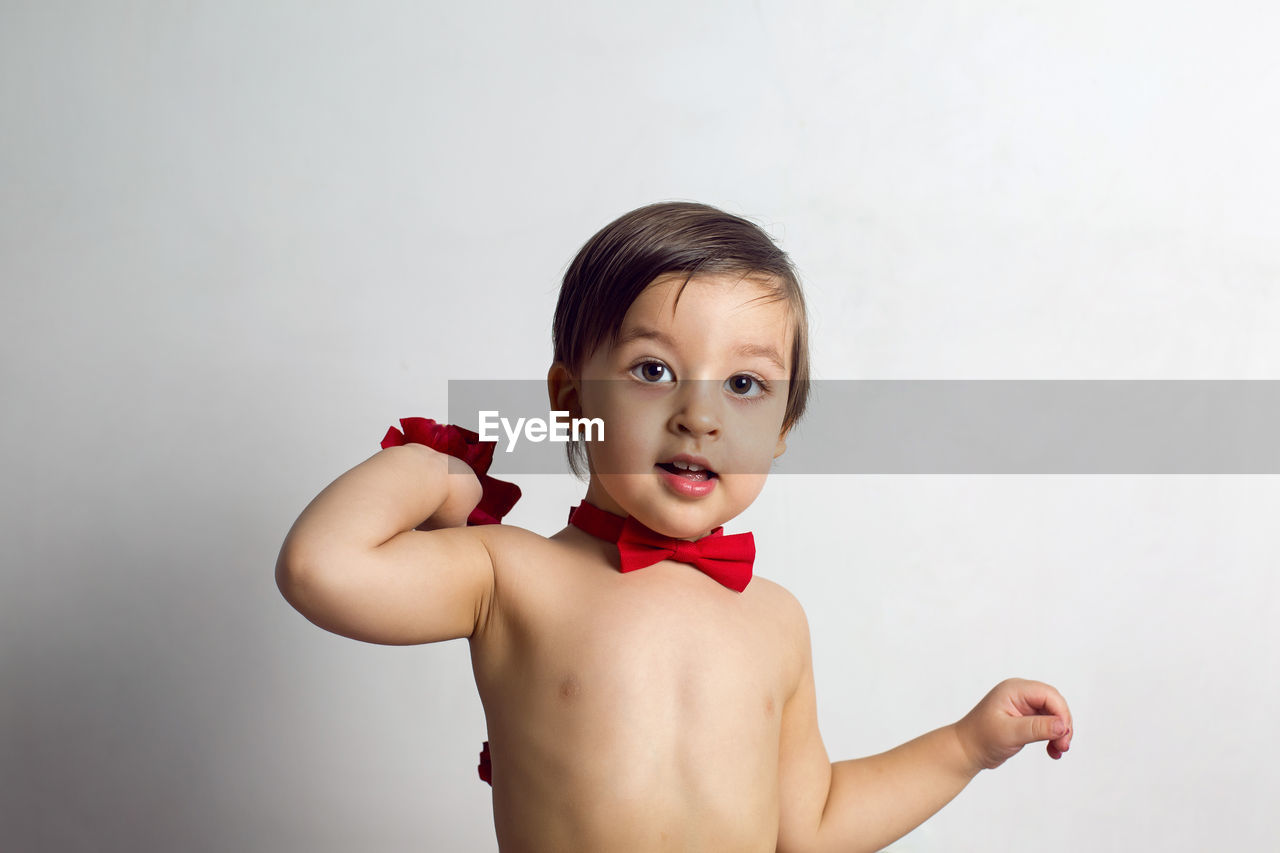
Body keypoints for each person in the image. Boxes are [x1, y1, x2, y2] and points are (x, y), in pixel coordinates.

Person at [276, 201, 1073, 852]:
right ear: (571, 398)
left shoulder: (775, 618)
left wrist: (966, 744)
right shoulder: (507, 574)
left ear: (784, 428)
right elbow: (320, 567)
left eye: (746, 384)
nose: (699, 414)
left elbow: (813, 824)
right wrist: (440, 469)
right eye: (652, 370)